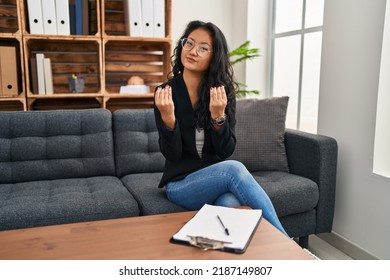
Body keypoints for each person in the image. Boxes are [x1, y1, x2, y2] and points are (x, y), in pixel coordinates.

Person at [154, 20, 288, 236]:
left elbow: (225, 151)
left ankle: (226, 257)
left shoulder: (222, 94)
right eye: (189, 43)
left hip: (212, 181)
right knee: (233, 169)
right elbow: (173, 154)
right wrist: (168, 118)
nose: (193, 51)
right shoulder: (166, 92)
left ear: (214, 57)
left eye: (203, 48)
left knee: (230, 202)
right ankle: (287, 244)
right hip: (180, 185)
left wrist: (218, 117)